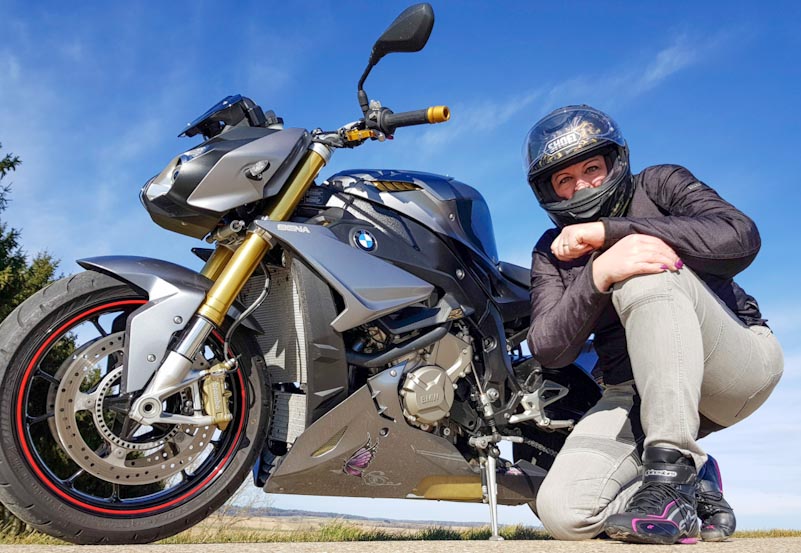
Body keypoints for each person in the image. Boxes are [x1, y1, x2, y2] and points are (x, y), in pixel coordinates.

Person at [522, 105, 784, 545]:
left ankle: (671, 474)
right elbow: (548, 348)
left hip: (733, 367)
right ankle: (696, 486)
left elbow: (740, 236)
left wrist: (613, 234)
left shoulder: (660, 183)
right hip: (633, 392)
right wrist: (597, 274)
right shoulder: (550, 250)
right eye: (564, 179)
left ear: (615, 164)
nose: (581, 185)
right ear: (548, 191)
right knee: (564, 514)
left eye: (591, 169)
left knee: (642, 270)